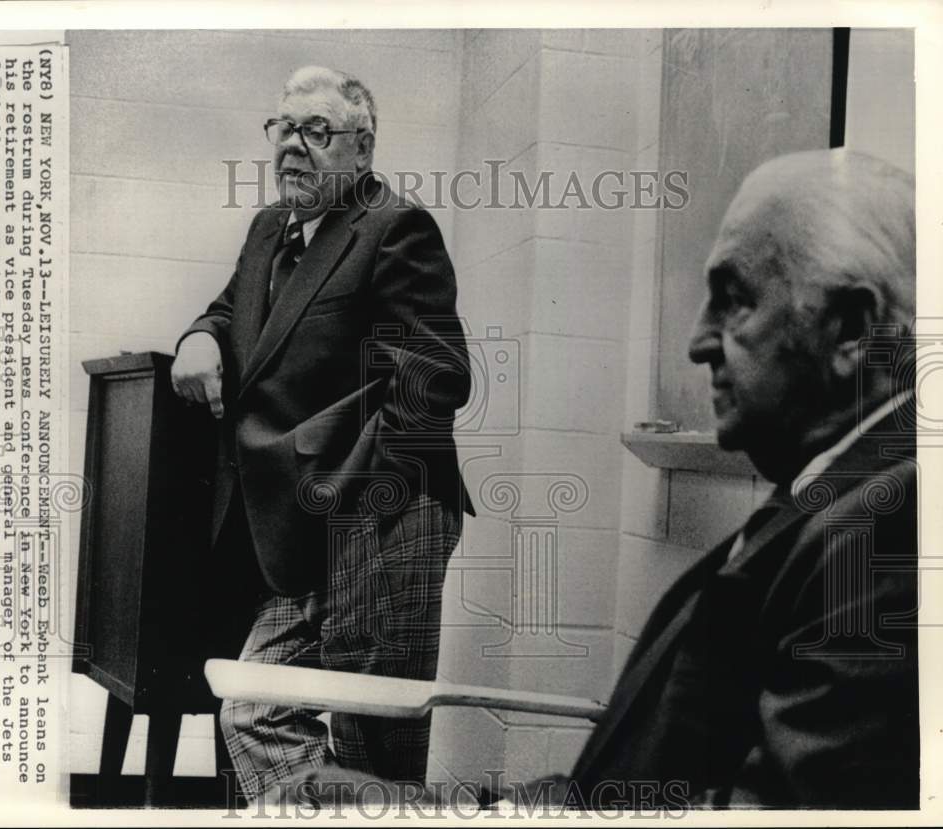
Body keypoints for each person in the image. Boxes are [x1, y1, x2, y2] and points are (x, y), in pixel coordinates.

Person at [273, 148, 919, 810]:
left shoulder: (888, 531)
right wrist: (412, 804)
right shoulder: (825, 497)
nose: (697, 341)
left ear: (851, 329)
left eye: (733, 301)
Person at [171, 66, 474, 802]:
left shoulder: (394, 226)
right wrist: (200, 337)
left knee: (376, 737)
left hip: (382, 513)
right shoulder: (268, 230)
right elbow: (235, 310)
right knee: (253, 709)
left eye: (316, 130)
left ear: (362, 147)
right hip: (299, 531)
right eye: (283, 128)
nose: (292, 146)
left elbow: (436, 376)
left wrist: (360, 508)